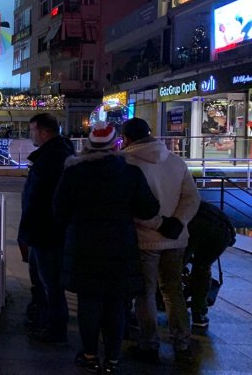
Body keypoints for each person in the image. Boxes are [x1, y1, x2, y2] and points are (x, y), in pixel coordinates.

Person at [54, 123, 160, 374]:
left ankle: (90, 354)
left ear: (88, 145)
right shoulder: (130, 173)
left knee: (88, 302)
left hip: (84, 247)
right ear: (116, 145)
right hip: (120, 247)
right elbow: (149, 209)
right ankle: (112, 358)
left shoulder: (74, 173)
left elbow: (59, 212)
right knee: (115, 304)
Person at [120, 118, 201, 362]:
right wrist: (178, 222)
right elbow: (192, 198)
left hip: (144, 239)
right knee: (173, 291)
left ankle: (149, 343)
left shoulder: (125, 162)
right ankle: (182, 342)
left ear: (126, 139)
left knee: (144, 293)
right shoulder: (176, 162)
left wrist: (157, 223)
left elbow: (130, 206)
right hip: (176, 239)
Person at [18, 112, 75, 343]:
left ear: (44, 131)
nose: (31, 134)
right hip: (45, 231)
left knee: (50, 282)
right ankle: (45, 321)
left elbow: (39, 200)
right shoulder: (57, 154)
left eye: (32, 130)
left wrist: (27, 232)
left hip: (46, 232)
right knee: (45, 281)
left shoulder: (51, 159)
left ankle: (55, 328)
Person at [185, 201, 236, 328]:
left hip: (203, 229)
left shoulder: (188, 211)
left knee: (178, 267)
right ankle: (199, 313)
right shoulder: (197, 204)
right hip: (222, 233)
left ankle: (180, 304)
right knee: (202, 268)